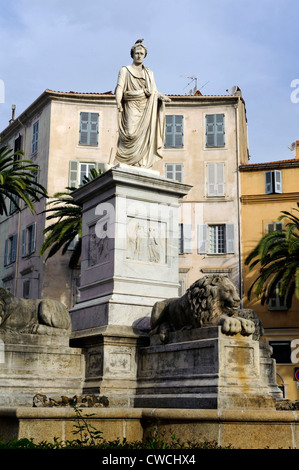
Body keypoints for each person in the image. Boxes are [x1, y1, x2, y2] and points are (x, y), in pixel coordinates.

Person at [115, 40, 170, 169]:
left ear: (145, 55)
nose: (139, 55)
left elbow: (154, 92)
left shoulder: (149, 73)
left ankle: (140, 162)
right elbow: (120, 87)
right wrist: (118, 102)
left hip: (146, 108)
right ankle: (127, 161)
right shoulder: (125, 70)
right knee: (130, 133)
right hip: (131, 105)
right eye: (137, 53)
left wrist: (161, 97)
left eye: (142, 53)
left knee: (144, 136)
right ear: (132, 54)